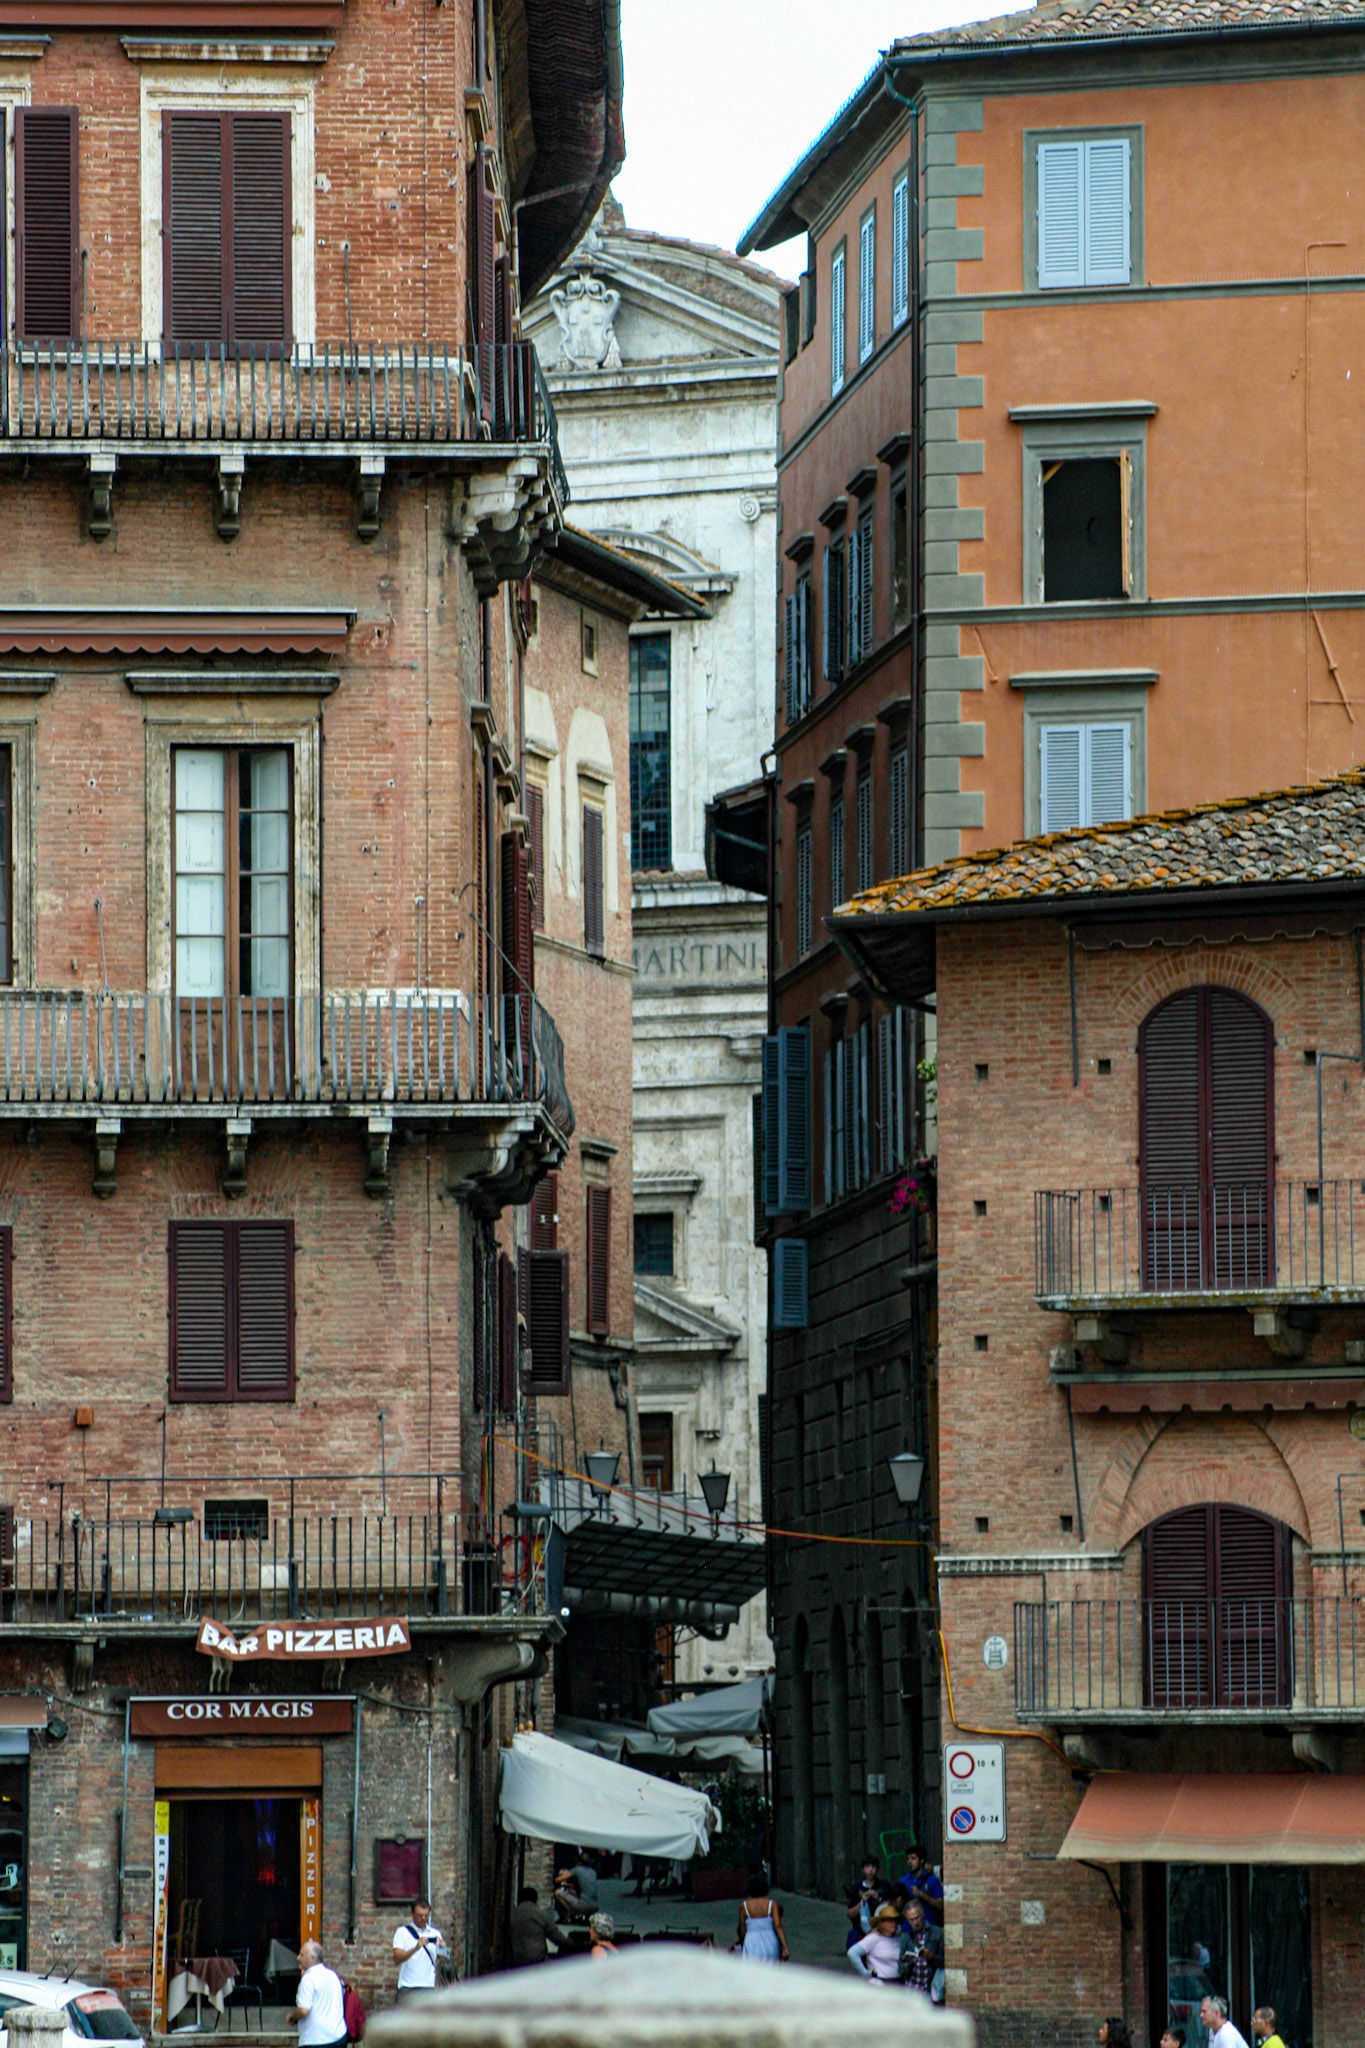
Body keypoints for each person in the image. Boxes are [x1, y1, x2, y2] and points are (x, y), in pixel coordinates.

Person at [290, 1940, 347, 2048]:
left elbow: (303, 2010)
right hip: (338, 2036)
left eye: (302, 1955)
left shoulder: (308, 1979)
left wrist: (292, 2017)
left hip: (315, 2040)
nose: (298, 1958)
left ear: (312, 1958)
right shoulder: (333, 1975)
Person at [392, 1898, 447, 2001]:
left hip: (428, 1986)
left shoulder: (435, 1933)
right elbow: (397, 1958)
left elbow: (443, 1959)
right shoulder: (402, 1932)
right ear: (412, 1913)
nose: (423, 1918)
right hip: (407, 1987)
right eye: (420, 1915)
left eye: (426, 1915)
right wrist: (415, 1948)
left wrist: (443, 1948)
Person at [736, 1868, 788, 1963]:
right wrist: (785, 1947)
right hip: (770, 1940)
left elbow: (742, 1929)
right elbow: (778, 1926)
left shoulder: (744, 1906)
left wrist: (743, 1943)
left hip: (751, 1940)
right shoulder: (772, 1904)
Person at [848, 1900, 907, 1984]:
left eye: (895, 1920)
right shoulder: (874, 1938)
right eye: (889, 1921)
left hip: (898, 1982)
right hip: (880, 1983)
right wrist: (864, 1972)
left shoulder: (899, 1938)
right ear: (881, 1923)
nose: (893, 1923)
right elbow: (852, 1953)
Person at [507, 1886, 567, 1967]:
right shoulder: (541, 1914)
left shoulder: (511, 1914)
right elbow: (557, 1936)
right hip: (538, 1961)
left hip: (516, 1960)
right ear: (536, 1900)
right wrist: (571, 1944)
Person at [898, 1899, 943, 1998]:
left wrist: (932, 1957)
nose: (915, 1922)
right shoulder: (906, 1937)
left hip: (930, 1989)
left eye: (917, 1918)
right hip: (911, 1989)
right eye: (911, 1920)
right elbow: (901, 1969)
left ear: (922, 1914)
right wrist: (910, 1962)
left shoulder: (937, 1933)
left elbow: (945, 1963)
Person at [846, 1853, 885, 1950]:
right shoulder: (856, 1888)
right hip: (861, 1933)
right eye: (867, 1867)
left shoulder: (884, 1886)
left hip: (881, 1932)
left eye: (873, 1867)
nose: (870, 1870)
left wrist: (878, 1898)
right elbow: (850, 1914)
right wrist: (861, 1903)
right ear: (863, 1869)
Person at [899, 1847, 944, 1927]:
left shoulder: (933, 1880)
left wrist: (922, 1895)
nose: (909, 1862)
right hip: (908, 1928)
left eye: (913, 1858)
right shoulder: (903, 1881)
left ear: (921, 1860)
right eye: (908, 1859)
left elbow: (940, 1905)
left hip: (929, 1927)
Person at [555, 1855, 600, 1921]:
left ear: (579, 1863)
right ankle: (586, 1916)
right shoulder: (593, 1872)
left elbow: (558, 1880)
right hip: (595, 1905)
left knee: (557, 1892)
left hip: (583, 1905)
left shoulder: (577, 1869)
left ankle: (575, 1914)